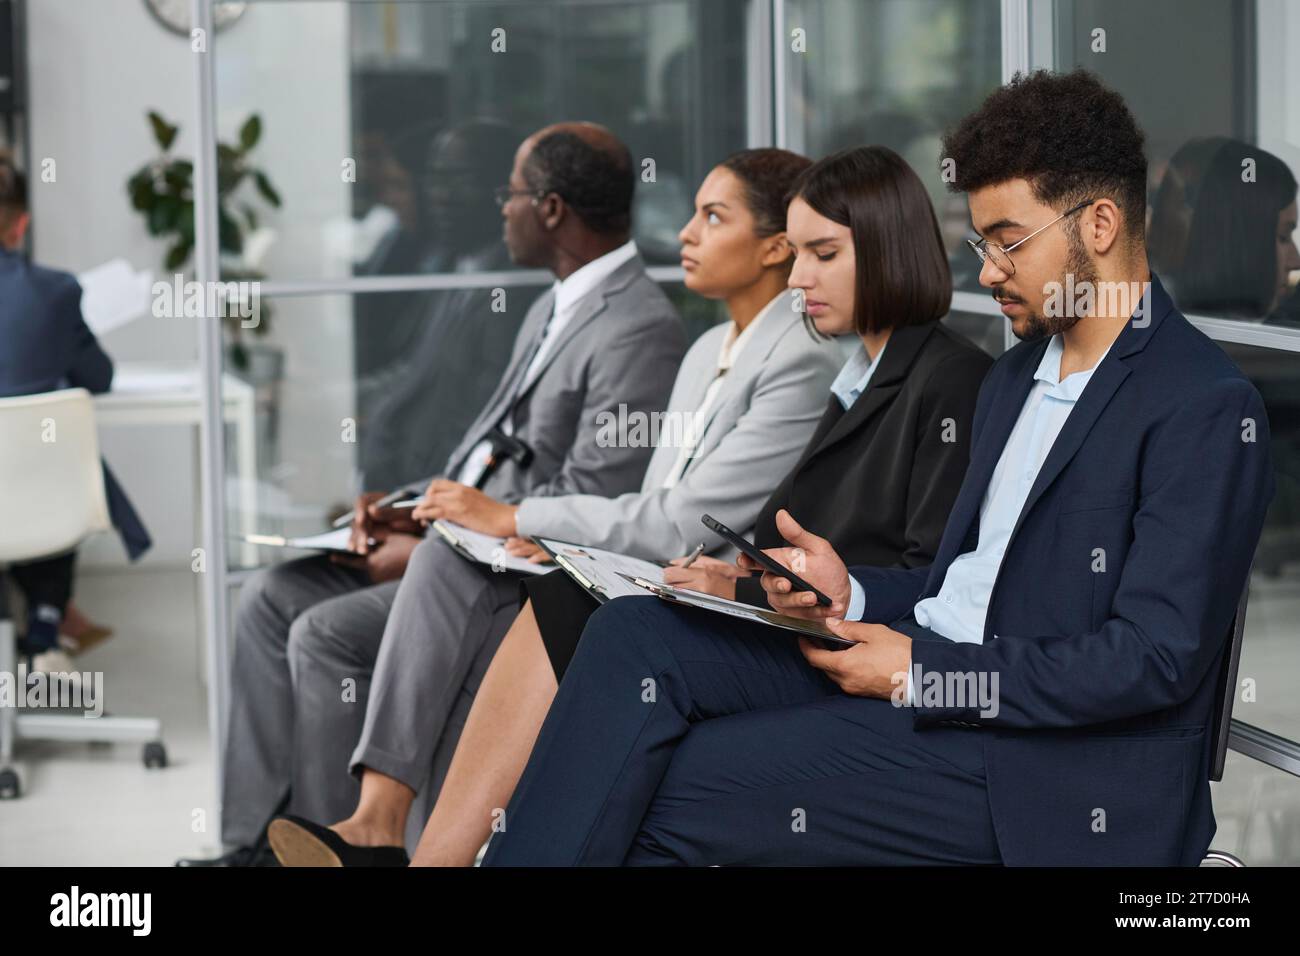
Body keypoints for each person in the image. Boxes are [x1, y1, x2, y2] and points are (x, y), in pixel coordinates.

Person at [481, 69, 1274, 867]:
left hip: (1039, 762)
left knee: (664, 786)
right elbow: (966, 582)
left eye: (1008, 241)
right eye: (980, 244)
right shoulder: (1014, 379)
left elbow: (1151, 661)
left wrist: (927, 675)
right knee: (632, 635)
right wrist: (850, 592)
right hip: (919, 663)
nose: (987, 271)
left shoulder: (1201, 405)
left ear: (1099, 223)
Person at [265, 147, 857, 865]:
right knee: (443, 569)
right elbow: (652, 498)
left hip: (704, 588)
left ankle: (409, 847)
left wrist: (521, 519)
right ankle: (377, 827)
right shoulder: (707, 349)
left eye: (712, 217)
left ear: (773, 247)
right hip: (642, 564)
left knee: (476, 594)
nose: (685, 233)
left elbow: (681, 522)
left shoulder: (799, 360)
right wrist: (497, 524)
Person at [184, 122, 686, 866]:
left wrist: (440, 538)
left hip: (505, 572)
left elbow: (590, 495)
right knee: (269, 596)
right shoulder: (550, 308)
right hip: (458, 541)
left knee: (321, 634)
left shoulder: (637, 327)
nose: (499, 209)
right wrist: (406, 507)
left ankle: (348, 843)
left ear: (550, 209)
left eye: (509, 194)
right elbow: (485, 452)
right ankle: (253, 842)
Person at [0, 151, 152, 675]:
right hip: (39, 498)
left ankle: (44, 631)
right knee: (47, 464)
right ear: (21, 224)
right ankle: (45, 630)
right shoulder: (56, 293)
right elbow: (99, 377)